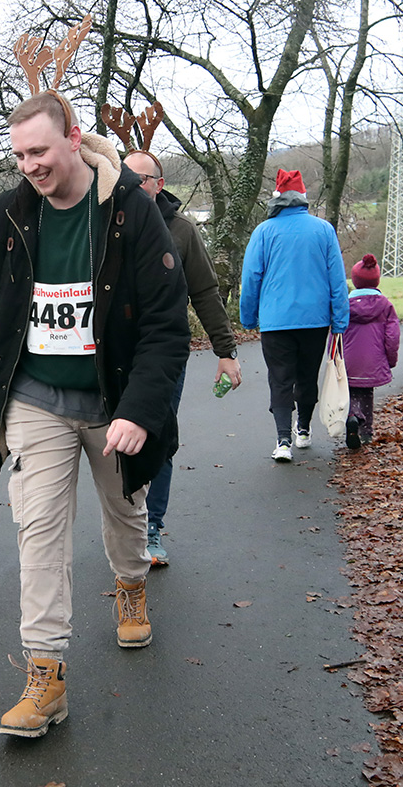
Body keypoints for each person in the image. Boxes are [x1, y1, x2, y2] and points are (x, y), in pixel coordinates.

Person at [0, 91, 190, 738]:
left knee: (124, 512)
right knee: (39, 535)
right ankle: (46, 676)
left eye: (39, 151)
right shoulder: (7, 216)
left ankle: (132, 583)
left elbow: (167, 327)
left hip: (113, 402)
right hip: (36, 401)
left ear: (74, 138)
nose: (29, 165)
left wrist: (141, 410)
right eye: (19, 154)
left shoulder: (131, 214)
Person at [123, 149, 241, 567]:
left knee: (157, 441)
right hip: (115, 357)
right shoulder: (105, 222)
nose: (135, 185)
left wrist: (225, 352)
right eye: (126, 176)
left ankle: (150, 527)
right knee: (115, 445)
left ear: (159, 183)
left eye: (143, 179)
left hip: (165, 357)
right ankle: (125, 526)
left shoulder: (182, 231)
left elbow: (205, 292)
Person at [239, 169, 349, 463]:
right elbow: (337, 279)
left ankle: (282, 440)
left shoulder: (264, 231)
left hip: (276, 321)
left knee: (280, 379)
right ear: (303, 199)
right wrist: (340, 321)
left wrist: (248, 318)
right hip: (315, 320)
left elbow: (251, 277)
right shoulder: (324, 230)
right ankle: (303, 429)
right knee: (307, 377)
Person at [343, 255, 399, 449]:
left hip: (349, 359)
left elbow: (335, 334)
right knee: (367, 391)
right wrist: (390, 360)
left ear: (355, 280)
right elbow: (392, 336)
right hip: (373, 359)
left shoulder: (345, 305)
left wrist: (333, 360)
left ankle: (352, 416)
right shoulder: (385, 305)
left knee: (351, 390)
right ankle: (366, 431)